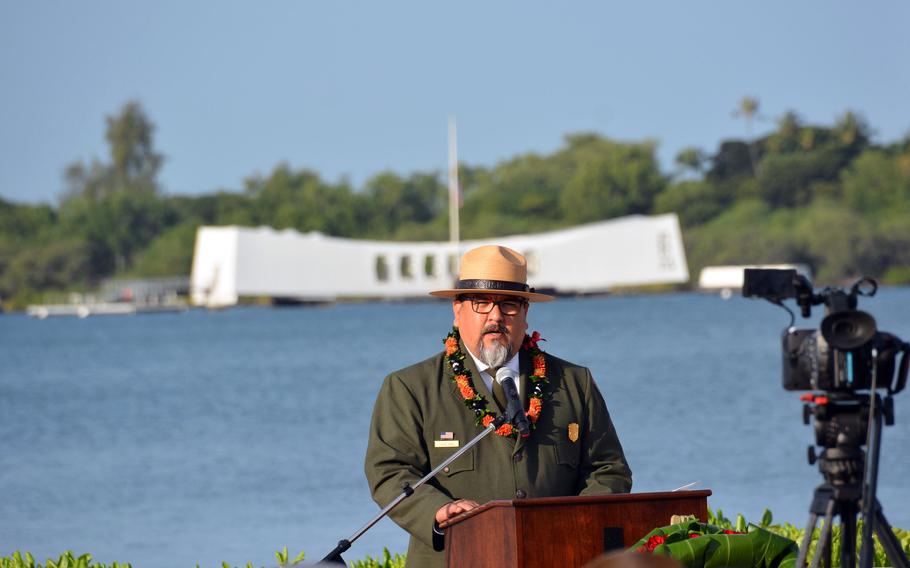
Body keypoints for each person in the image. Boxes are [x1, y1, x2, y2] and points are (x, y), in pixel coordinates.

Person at [365, 245, 632, 567]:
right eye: (481, 304)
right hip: (455, 557)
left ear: (525, 313)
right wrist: (436, 510)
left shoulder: (574, 381)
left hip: (556, 557)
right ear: (457, 309)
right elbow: (389, 472)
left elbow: (609, 469)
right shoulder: (410, 387)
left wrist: (570, 523)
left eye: (509, 305)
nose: (496, 317)